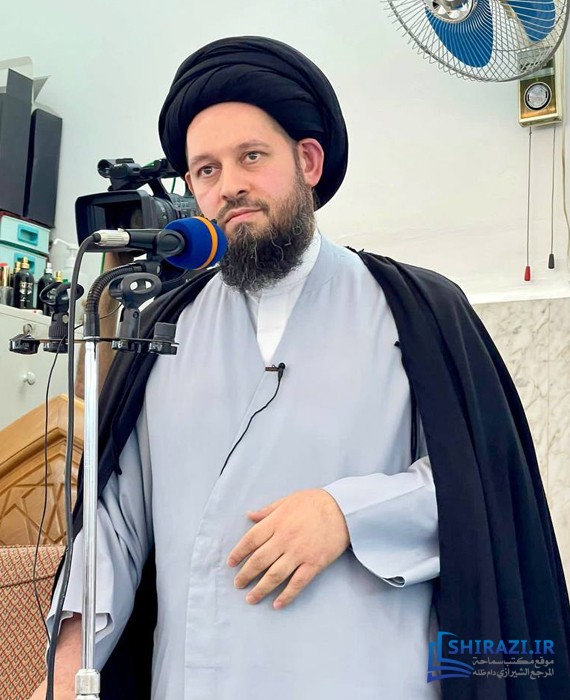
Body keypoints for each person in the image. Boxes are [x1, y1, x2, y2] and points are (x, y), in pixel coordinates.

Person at [31, 36, 570, 700]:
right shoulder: (164, 328)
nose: (229, 185)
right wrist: (65, 670)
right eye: (206, 170)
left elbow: (480, 492)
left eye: (251, 157)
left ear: (308, 161)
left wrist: (348, 513)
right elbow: (114, 525)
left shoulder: (417, 311)